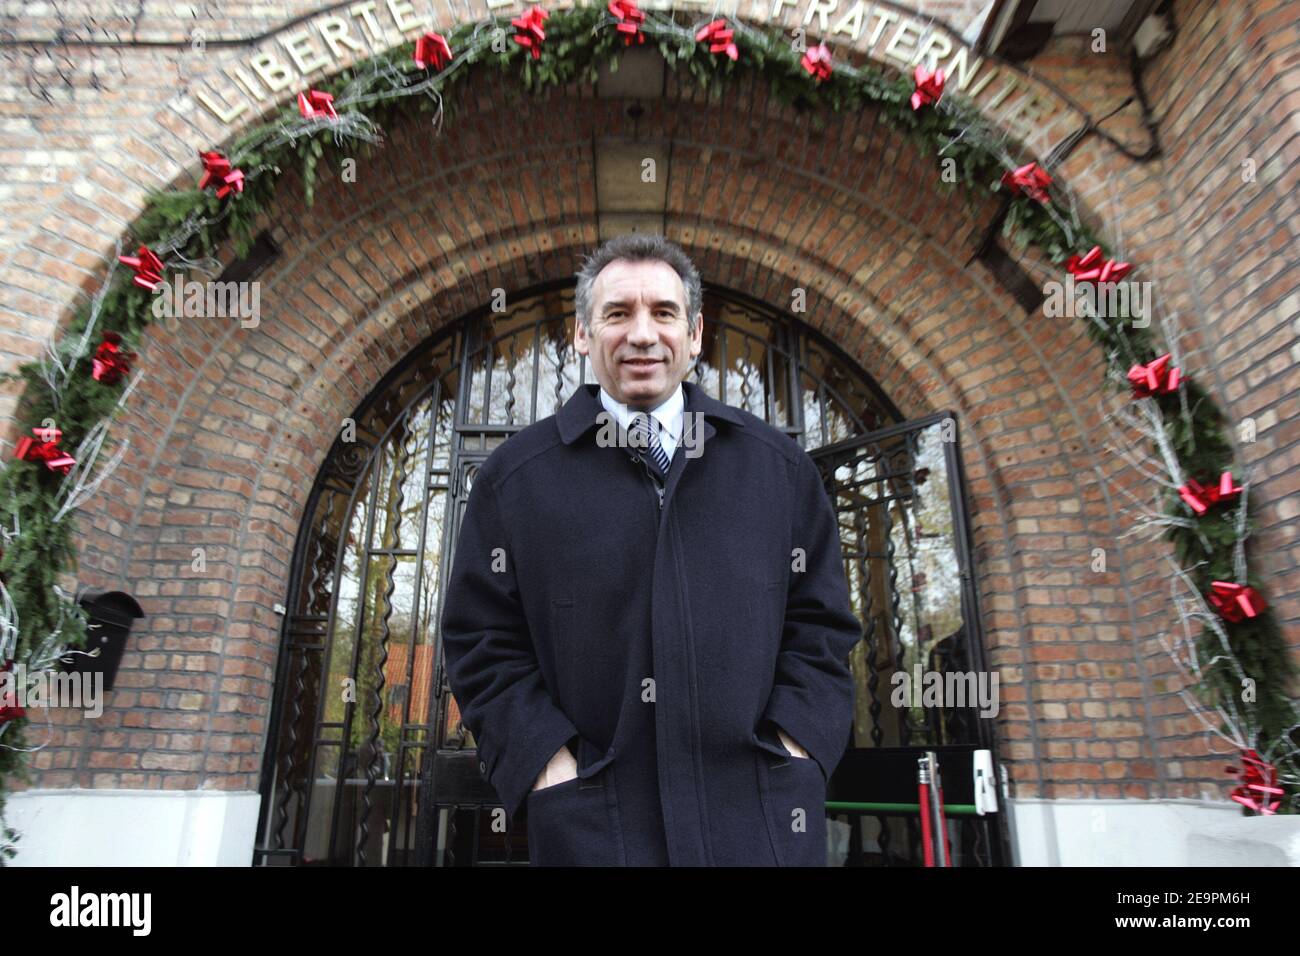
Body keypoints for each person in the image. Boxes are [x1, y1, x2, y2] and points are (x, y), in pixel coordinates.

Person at [439, 232, 860, 865]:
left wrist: (794, 749)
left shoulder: (779, 470)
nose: (642, 334)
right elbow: (481, 643)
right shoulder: (514, 479)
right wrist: (547, 767)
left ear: (694, 335)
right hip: (594, 829)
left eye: (663, 313)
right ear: (583, 334)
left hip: (761, 825)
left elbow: (821, 628)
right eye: (617, 314)